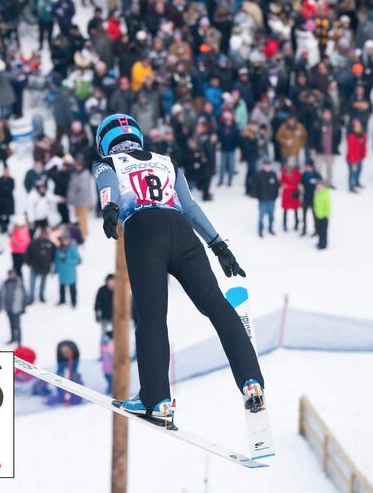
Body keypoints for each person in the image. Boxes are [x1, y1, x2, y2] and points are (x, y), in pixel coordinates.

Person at [92, 114, 262, 421]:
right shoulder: (166, 162)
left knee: (152, 317)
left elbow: (108, 188)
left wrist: (109, 209)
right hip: (181, 230)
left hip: (144, 232)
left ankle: (156, 398)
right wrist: (219, 246)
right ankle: (251, 380)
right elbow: (190, 207)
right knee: (216, 305)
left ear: (104, 141)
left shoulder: (108, 163)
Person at [0, 269, 26, 344]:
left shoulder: (19, 283)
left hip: (17, 309)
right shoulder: (5, 283)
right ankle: (13, 338)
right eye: (10, 274)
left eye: (12, 274)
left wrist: (23, 308)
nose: (11, 275)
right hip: (8, 308)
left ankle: (19, 341)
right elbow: (1, 295)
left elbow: (24, 296)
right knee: (11, 324)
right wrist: (0, 306)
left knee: (17, 325)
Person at [54, 235, 81, 308]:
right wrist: (56, 270)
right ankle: (62, 300)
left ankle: (73, 302)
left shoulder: (72, 248)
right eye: (64, 240)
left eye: (66, 240)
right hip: (62, 272)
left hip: (70, 272)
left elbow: (77, 260)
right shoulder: (59, 248)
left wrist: (67, 260)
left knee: (72, 288)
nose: (65, 241)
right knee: (61, 287)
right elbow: (56, 260)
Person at [300, 161, 322, 237]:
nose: (307, 168)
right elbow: (301, 184)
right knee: (304, 215)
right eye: (306, 166)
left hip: (314, 199)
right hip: (305, 198)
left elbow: (321, 185)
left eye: (309, 166)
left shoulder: (317, 175)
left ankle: (316, 230)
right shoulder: (304, 175)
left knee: (314, 215)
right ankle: (304, 229)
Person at [280, 160, 301, 232]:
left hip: (294, 194)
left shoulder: (297, 173)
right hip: (286, 195)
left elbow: (297, 183)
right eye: (288, 165)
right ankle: (284, 225)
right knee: (285, 210)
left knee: (295, 210)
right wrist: (284, 185)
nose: (289, 167)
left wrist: (288, 186)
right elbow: (281, 182)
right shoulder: (283, 172)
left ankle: (296, 224)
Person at [346, 120, 367, 192]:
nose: (358, 129)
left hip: (359, 158)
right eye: (356, 127)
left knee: (359, 171)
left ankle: (357, 182)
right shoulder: (351, 137)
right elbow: (350, 150)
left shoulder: (363, 136)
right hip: (352, 159)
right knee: (352, 173)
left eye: (359, 127)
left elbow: (364, 146)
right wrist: (352, 161)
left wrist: (363, 155)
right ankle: (351, 186)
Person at [313, 182, 331, 250]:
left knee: (324, 231)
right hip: (318, 215)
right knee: (319, 230)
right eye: (317, 186)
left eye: (320, 186)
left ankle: (323, 244)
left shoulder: (325, 194)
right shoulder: (317, 193)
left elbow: (327, 205)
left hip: (324, 216)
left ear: (323, 186)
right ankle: (320, 242)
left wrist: (326, 215)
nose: (318, 187)